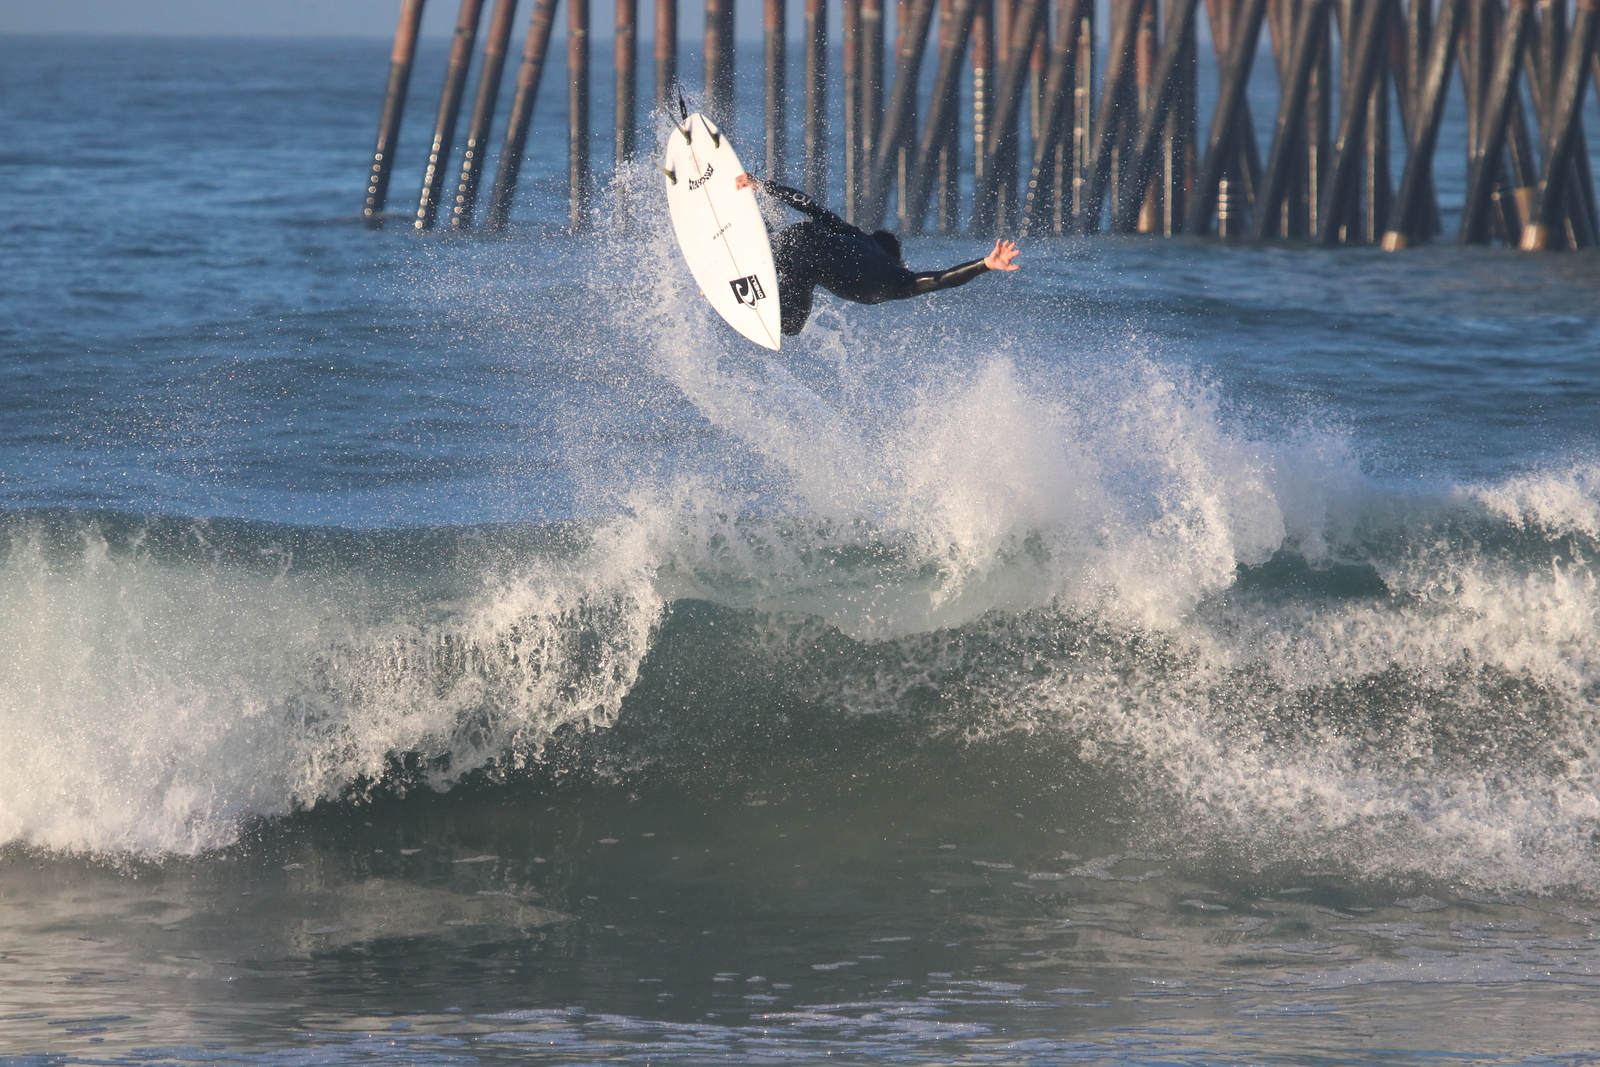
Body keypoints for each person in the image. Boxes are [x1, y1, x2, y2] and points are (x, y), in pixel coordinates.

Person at [735, 173, 1020, 336]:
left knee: (785, 247)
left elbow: (811, 207)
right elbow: (941, 279)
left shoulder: (855, 235)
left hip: (798, 236)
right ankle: (751, 267)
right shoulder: (898, 279)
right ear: (897, 259)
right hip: (802, 264)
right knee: (789, 327)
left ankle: (757, 227)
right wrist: (986, 263)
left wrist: (764, 185)